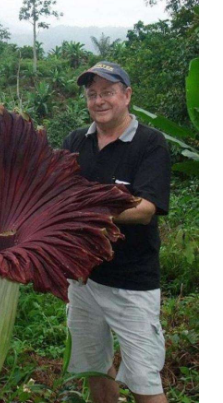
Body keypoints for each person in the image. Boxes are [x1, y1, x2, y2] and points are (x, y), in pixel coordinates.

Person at [63, 62, 171, 403]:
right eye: (92, 94)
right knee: (95, 368)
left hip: (132, 283)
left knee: (144, 380)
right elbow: (56, 194)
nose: (99, 101)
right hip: (83, 280)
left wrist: (86, 209)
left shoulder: (150, 143)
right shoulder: (76, 141)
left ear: (126, 95)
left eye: (108, 92)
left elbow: (145, 209)